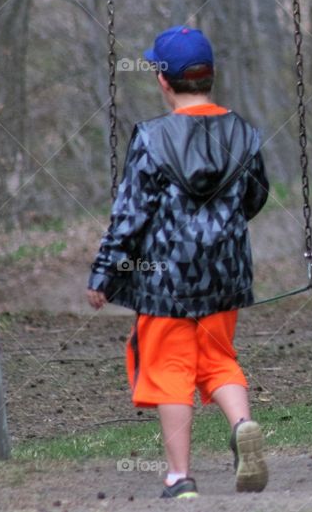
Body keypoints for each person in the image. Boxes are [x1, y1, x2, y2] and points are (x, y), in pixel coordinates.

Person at [87, 25, 270, 499]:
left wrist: (105, 274)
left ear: (163, 81)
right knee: (219, 360)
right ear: (209, 76)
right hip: (225, 275)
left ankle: (180, 477)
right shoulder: (243, 133)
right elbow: (255, 197)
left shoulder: (152, 137)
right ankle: (243, 423)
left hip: (165, 280)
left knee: (170, 370)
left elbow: (130, 216)